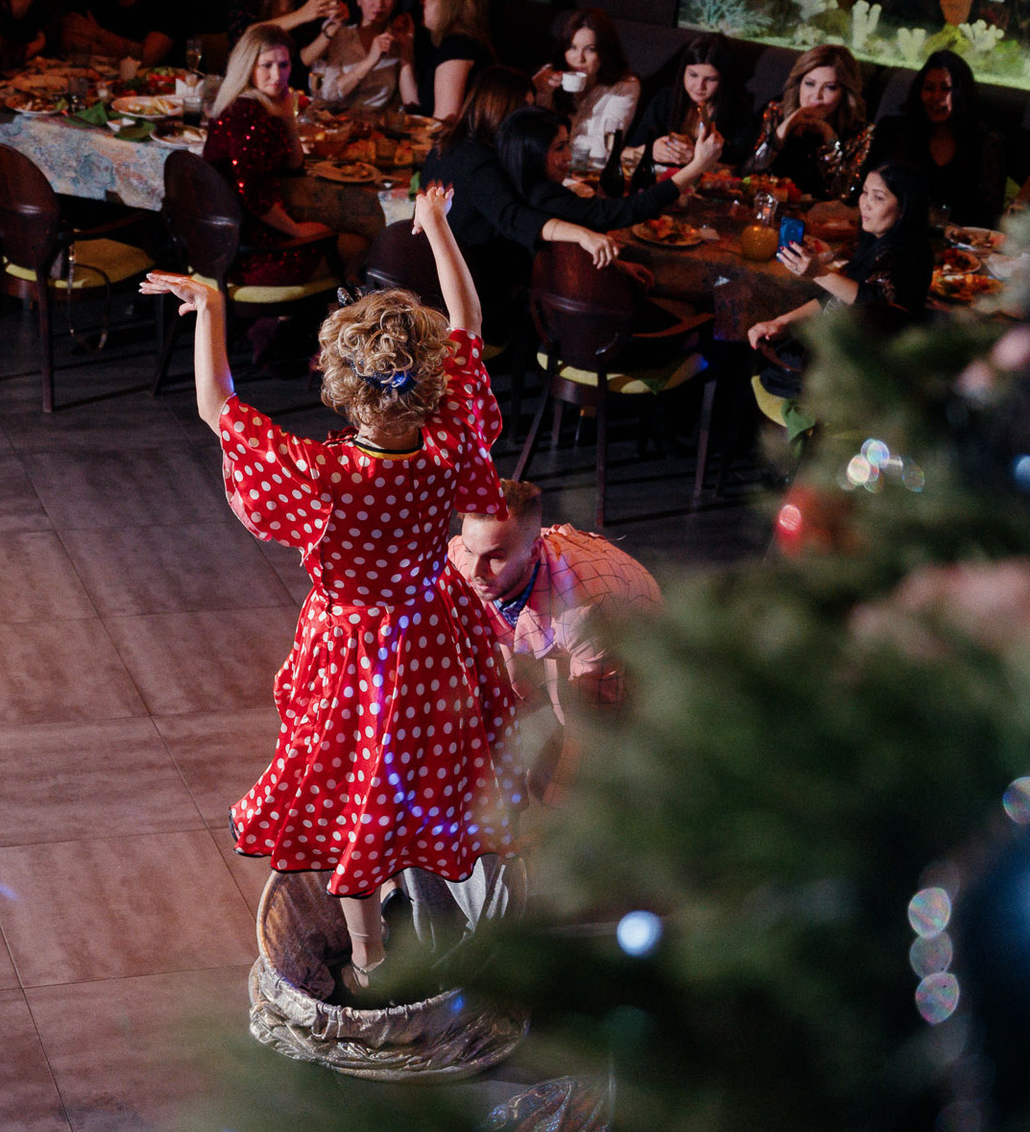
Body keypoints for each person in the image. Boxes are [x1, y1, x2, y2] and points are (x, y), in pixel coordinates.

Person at [139, 181, 520, 993]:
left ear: (342, 384)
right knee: (421, 767)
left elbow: (217, 406)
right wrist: (434, 224)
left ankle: (371, 959)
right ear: (430, 379)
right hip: (433, 633)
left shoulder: (323, 474)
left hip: (354, 650)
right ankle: (431, 894)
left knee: (354, 785)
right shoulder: (452, 437)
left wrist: (211, 305)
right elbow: (469, 319)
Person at [444, 477, 661, 798]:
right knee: (508, 693)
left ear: (533, 552)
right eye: (470, 550)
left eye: (495, 557)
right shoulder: (460, 560)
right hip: (540, 611)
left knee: (582, 744)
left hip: (627, 627)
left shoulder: (585, 606)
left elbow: (590, 710)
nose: (476, 571)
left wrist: (562, 785)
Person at [421, 67, 617, 339]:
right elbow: (515, 219)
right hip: (477, 301)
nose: (528, 117)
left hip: (436, 285)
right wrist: (583, 235)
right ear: (500, 109)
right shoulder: (482, 164)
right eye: (524, 108)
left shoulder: (446, 143)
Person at [747, 161, 933, 396]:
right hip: (841, 353)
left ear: (904, 208)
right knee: (760, 350)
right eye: (865, 192)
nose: (865, 203)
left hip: (865, 376)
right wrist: (782, 322)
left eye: (878, 197)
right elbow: (837, 297)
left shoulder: (907, 254)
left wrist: (819, 273)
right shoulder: (876, 241)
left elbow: (874, 304)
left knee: (760, 366)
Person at [204, 24, 363, 289]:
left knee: (338, 235)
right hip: (250, 254)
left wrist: (288, 116)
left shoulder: (253, 105)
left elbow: (294, 165)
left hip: (230, 243)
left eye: (284, 64)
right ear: (248, 67)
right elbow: (253, 196)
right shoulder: (247, 114)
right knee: (361, 247)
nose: (277, 75)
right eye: (266, 65)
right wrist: (296, 230)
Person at [875, 50, 1030, 229]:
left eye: (946, 89)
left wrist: (1025, 193)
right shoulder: (896, 131)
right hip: (901, 235)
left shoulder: (986, 142)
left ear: (962, 93)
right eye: (929, 88)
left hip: (963, 242)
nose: (936, 97)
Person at [495, 103, 723, 232]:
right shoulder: (544, 196)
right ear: (532, 154)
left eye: (567, 146)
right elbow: (619, 212)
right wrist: (696, 167)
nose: (569, 157)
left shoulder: (518, 184)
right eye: (559, 148)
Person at [745, 44, 872, 203]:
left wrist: (829, 140)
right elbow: (748, 174)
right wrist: (782, 131)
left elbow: (843, 196)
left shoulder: (860, 133)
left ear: (844, 93)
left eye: (830, 87)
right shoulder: (776, 112)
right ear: (799, 84)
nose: (816, 96)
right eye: (810, 84)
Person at [625, 33, 755, 176]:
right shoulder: (667, 99)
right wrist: (649, 150)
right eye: (693, 75)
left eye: (711, 79)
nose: (699, 86)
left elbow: (741, 172)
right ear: (683, 72)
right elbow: (624, 153)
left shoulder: (738, 110)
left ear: (723, 79)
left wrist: (696, 160)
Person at [535, 7, 638, 171]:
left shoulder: (625, 85)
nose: (579, 58)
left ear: (605, 52)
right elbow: (530, 133)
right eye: (572, 47)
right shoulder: (550, 75)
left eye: (590, 49)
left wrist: (554, 141)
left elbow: (604, 148)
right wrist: (541, 91)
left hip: (591, 173)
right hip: (548, 168)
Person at [311, 0, 414, 111]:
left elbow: (411, 104)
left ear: (396, 0)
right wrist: (370, 60)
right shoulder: (338, 33)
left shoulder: (398, 39)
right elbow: (327, 94)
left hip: (376, 123)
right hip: (334, 120)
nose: (379, 4)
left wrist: (406, 49)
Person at [227, 0, 345, 84]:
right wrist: (302, 14)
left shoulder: (310, 5)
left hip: (283, 84)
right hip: (242, 80)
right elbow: (246, 34)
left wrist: (331, 29)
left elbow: (302, 60)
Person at [411, 0, 489, 120]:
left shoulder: (457, 47)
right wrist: (405, 49)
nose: (422, 1)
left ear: (446, 1)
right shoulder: (453, 43)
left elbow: (444, 122)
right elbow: (416, 106)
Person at [63, 0, 174, 67]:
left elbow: (146, 57)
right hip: (99, 76)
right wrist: (124, 51)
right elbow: (68, 40)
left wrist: (98, 34)